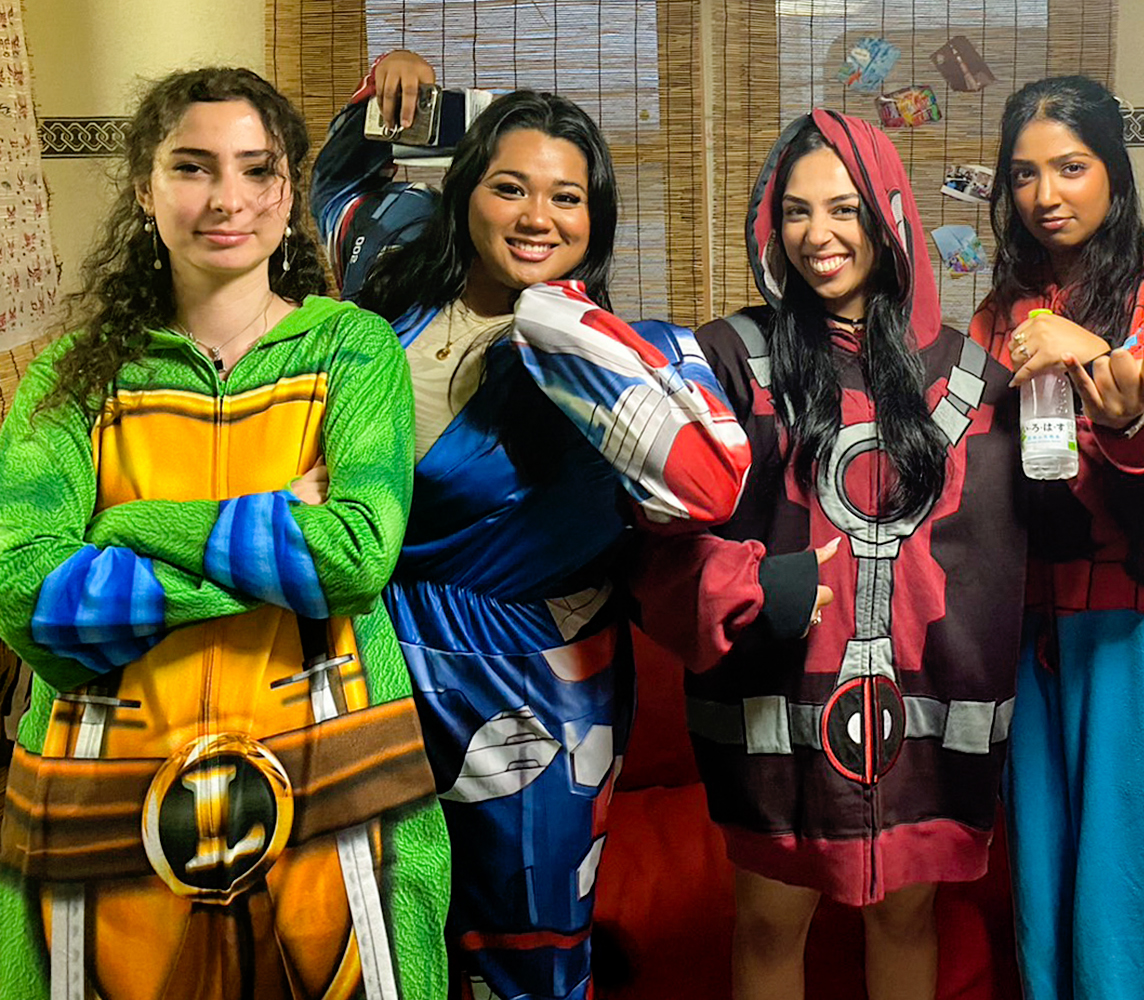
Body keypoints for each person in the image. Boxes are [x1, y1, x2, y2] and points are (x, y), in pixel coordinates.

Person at [312, 50, 751, 1000]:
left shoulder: (633, 357)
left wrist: (569, 331)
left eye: (567, 197)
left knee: (528, 942)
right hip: (375, 655)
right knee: (384, 928)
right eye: (510, 188)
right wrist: (390, 90)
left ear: (596, 221)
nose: (536, 218)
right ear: (465, 195)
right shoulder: (391, 284)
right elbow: (339, 185)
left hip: (537, 683)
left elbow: (710, 484)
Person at [0, 68, 447, 999]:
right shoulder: (67, 381)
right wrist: (273, 540)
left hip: (332, 786)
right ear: (144, 188)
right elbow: (27, 594)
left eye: (256, 170)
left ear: (288, 193)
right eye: (193, 168)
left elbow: (357, 556)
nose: (227, 199)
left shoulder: (352, 351)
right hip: (107, 800)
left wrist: (130, 524)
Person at [633, 110, 1027, 1000]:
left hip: (926, 708)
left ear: (887, 217)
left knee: (905, 917)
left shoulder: (970, 377)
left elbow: (1020, 533)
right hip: (776, 703)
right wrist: (747, 586)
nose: (820, 236)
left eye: (845, 210)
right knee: (771, 922)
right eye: (797, 212)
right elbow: (658, 527)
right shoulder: (731, 359)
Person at [968, 75, 1144, 1000]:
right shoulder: (1005, 307)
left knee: (1127, 914)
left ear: (1115, 174)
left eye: (1072, 168)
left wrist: (1112, 390)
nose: (1046, 195)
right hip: (1036, 629)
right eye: (1024, 175)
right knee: (1039, 903)